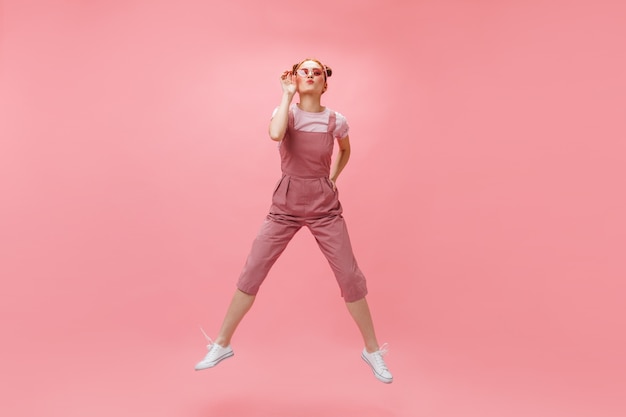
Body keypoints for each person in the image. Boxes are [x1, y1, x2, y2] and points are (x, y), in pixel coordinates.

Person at [194, 58, 393, 384]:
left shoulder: (335, 120)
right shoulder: (284, 113)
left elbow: (345, 150)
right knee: (252, 270)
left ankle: (372, 351)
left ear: (324, 83)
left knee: (350, 277)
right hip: (285, 204)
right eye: (305, 71)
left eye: (317, 72)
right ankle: (221, 344)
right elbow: (275, 136)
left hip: (324, 206)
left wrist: (332, 177)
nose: (311, 76)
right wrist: (286, 95)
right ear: (295, 79)